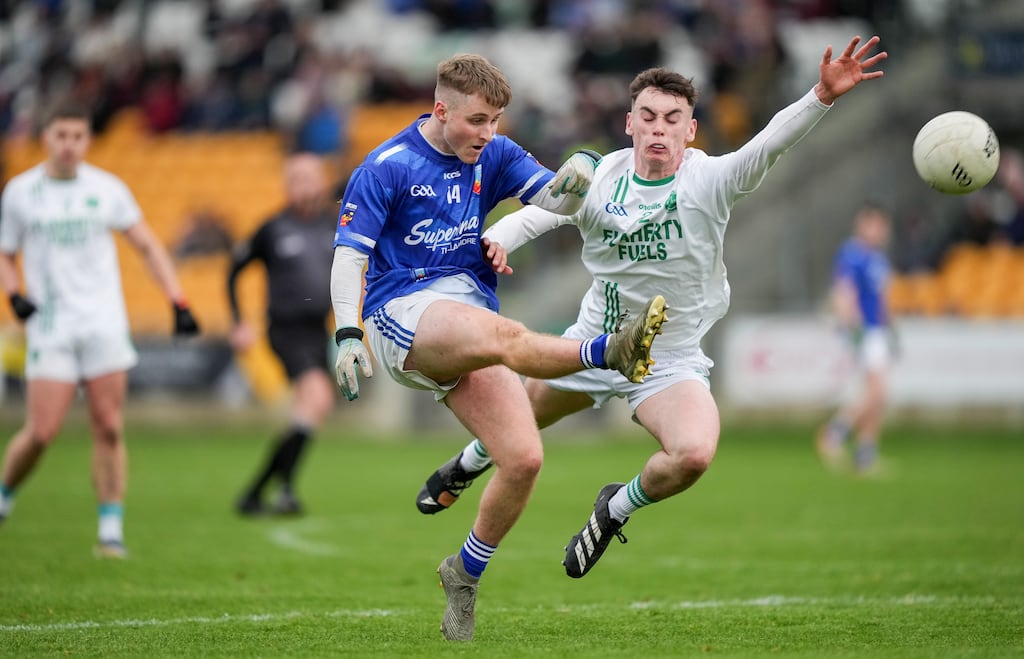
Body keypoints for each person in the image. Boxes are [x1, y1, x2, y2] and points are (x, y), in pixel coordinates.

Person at [417, 36, 888, 578]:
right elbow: (543, 210)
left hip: (669, 361)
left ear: (690, 129)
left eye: (672, 118)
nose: (659, 127)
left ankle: (614, 509)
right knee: (518, 423)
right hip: (593, 347)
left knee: (692, 455)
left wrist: (821, 97)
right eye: (649, 116)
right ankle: (466, 465)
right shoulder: (601, 178)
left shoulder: (710, 180)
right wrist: (498, 237)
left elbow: (768, 145)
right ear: (629, 124)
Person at [329, 54, 669, 641]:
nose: (487, 135)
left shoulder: (497, 154)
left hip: (466, 321)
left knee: (523, 457)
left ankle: (463, 572)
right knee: (505, 338)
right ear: (441, 110)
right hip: (402, 316)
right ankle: (609, 352)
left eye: (496, 122)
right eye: (477, 121)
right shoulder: (387, 166)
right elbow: (349, 255)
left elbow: (557, 203)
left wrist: (583, 167)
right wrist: (347, 332)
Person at [0, 103, 200, 558]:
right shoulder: (21, 192)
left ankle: (110, 531)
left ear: (87, 141)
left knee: (109, 426)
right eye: (60, 135)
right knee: (41, 431)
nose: (69, 144)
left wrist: (178, 299)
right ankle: (4, 495)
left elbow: (147, 244)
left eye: (77, 136)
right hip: (50, 325)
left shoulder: (107, 189)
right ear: (46, 137)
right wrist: (13, 294)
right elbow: (5, 253)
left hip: (104, 323)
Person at [228, 152, 339, 516]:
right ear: (287, 186)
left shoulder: (332, 225)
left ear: (323, 182)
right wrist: (239, 322)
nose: (305, 185)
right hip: (286, 330)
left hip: (317, 330)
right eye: (297, 178)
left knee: (307, 412)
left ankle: (259, 493)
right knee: (317, 399)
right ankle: (282, 490)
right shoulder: (273, 227)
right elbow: (234, 270)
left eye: (311, 177)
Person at [816, 203, 893, 475]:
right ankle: (833, 434)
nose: (879, 230)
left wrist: (889, 330)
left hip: (878, 331)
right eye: (874, 223)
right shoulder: (852, 254)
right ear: (863, 224)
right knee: (877, 391)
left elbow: (881, 299)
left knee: (878, 395)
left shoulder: (877, 257)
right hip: (865, 331)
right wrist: (854, 327)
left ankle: (865, 454)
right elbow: (843, 292)